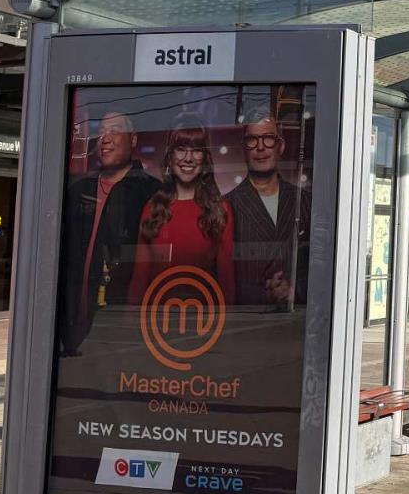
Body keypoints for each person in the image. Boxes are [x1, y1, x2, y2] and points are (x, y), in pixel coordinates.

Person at [59, 110, 161, 355]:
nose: (105, 138)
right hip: (70, 322)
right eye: (101, 131)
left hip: (119, 321)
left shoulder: (152, 191)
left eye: (114, 131)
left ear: (133, 139)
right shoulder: (79, 189)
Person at [128, 118, 235, 306]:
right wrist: (131, 321)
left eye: (196, 150)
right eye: (181, 149)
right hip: (156, 318)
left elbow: (227, 282)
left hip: (202, 318)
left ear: (205, 158)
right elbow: (139, 279)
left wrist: (229, 322)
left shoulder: (219, 210)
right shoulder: (153, 208)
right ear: (170, 156)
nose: (188, 158)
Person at [225, 108, 310, 309]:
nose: (261, 147)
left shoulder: (306, 201)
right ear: (243, 148)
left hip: (299, 319)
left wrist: (295, 290)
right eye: (252, 140)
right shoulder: (226, 205)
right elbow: (221, 276)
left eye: (269, 138)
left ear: (281, 146)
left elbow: (323, 264)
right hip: (249, 319)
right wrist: (264, 294)